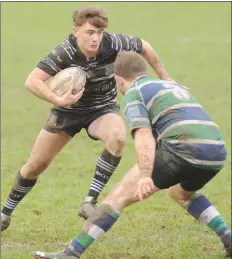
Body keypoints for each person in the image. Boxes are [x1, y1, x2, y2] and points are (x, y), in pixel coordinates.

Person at [32, 51, 231, 259]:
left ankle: (71, 252)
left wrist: (146, 174)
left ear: (118, 79)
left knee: (118, 196)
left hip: (182, 148)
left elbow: (143, 134)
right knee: (181, 193)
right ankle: (228, 238)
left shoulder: (134, 93)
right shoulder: (169, 85)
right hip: (217, 150)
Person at [1, 6, 173, 231]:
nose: (95, 38)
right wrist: (58, 99)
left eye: (99, 33)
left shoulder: (113, 43)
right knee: (36, 165)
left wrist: (166, 79)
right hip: (67, 112)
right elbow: (32, 81)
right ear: (76, 31)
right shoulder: (64, 52)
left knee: (118, 136)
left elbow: (145, 47)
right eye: (90, 32)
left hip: (102, 109)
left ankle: (89, 201)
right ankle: (5, 213)